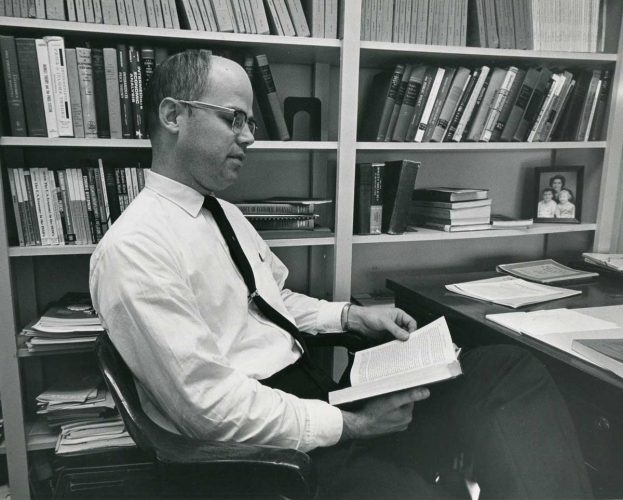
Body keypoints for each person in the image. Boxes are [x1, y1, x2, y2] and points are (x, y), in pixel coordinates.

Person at [89, 51, 593, 499]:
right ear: (174, 115)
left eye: (249, 121)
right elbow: (208, 409)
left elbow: (273, 301)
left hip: (315, 400)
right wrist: (351, 425)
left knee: (506, 372)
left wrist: (352, 316)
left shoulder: (222, 214)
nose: (249, 136)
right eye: (233, 118)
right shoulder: (136, 250)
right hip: (272, 454)